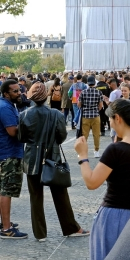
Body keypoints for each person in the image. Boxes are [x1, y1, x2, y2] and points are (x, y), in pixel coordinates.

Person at [74, 99, 130, 260]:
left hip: (114, 217)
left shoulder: (116, 150)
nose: (109, 123)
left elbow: (92, 182)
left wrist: (82, 156)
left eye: (110, 119)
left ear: (118, 118)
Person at [18, 82, 89, 241]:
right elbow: (62, 136)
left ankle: (40, 233)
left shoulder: (24, 115)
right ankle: (70, 227)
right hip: (52, 156)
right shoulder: (56, 114)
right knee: (61, 195)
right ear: (46, 97)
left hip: (31, 159)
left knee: (35, 197)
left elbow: (21, 137)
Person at [0, 80, 28, 239]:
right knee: (6, 191)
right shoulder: (5, 108)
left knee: (2, 190)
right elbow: (12, 131)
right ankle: (6, 229)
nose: (19, 93)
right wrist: (30, 127)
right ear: (6, 94)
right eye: (15, 91)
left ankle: (3, 223)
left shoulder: (5, 105)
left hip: (5, 153)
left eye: (19, 90)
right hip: (9, 154)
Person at [78, 75, 103, 158]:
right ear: (94, 83)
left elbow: (79, 104)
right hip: (95, 115)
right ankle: (96, 151)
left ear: (87, 83)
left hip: (85, 116)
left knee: (84, 135)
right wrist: (96, 110)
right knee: (96, 135)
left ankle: (83, 152)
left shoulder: (83, 92)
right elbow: (100, 105)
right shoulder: (99, 92)